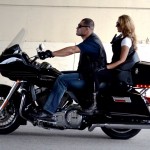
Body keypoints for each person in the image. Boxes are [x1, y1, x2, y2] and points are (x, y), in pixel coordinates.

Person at [37, 18, 107, 121]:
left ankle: (48, 112)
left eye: (79, 26)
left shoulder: (93, 42)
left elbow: (72, 50)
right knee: (57, 75)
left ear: (87, 29)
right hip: (87, 75)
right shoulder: (90, 40)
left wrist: (50, 54)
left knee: (61, 80)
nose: (77, 28)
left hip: (89, 79)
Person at [96, 15, 140, 91]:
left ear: (124, 25)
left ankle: (94, 99)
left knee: (96, 74)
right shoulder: (123, 38)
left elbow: (122, 60)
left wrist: (106, 67)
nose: (116, 26)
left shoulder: (126, 40)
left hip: (119, 71)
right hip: (118, 69)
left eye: (118, 24)